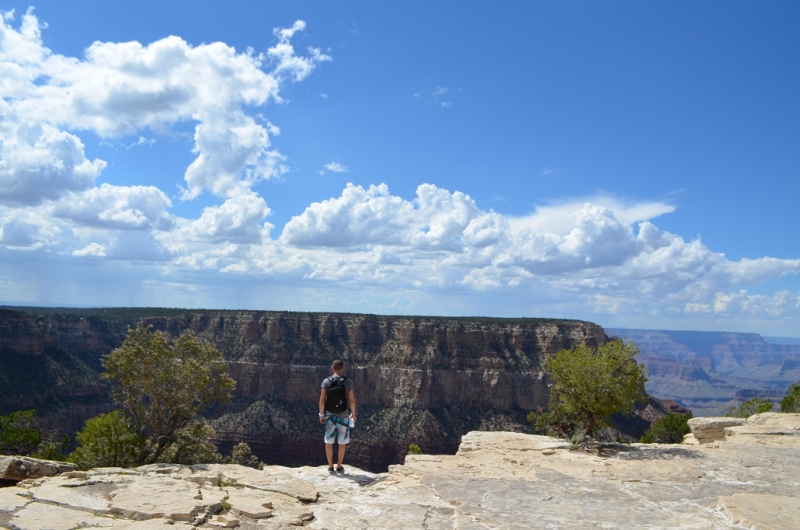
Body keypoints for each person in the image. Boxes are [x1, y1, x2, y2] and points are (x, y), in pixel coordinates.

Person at [319, 359, 356, 474]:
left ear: (332, 368)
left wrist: (321, 415)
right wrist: (353, 415)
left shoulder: (326, 382)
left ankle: (330, 466)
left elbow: (321, 400)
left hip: (330, 415)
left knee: (329, 441)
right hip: (343, 415)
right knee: (342, 442)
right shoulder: (348, 382)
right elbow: (351, 400)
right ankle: (339, 466)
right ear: (342, 368)